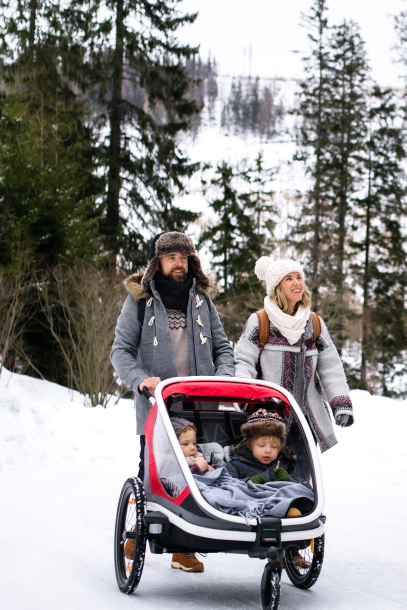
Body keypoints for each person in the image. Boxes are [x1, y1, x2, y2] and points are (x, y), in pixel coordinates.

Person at [111, 231, 234, 574]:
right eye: (171, 257)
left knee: (198, 471)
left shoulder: (202, 303)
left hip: (199, 406)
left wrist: (223, 376)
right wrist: (140, 380)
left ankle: (186, 548)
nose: (179, 263)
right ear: (158, 263)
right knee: (153, 475)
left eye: (184, 257)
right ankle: (139, 528)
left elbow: (223, 349)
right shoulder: (139, 303)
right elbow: (120, 351)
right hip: (157, 407)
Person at [233, 256, 353, 451]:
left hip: (305, 419)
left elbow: (331, 366)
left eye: (299, 277)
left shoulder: (313, 323)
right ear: (276, 287)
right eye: (288, 278)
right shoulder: (260, 321)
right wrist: (246, 399)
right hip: (268, 418)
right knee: (268, 477)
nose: (297, 282)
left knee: (303, 479)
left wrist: (340, 402)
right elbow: (244, 362)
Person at [226, 410, 298, 485]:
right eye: (261, 445)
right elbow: (225, 484)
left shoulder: (287, 464)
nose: (268, 450)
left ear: (280, 448)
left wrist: (289, 480)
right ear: (249, 445)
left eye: (274, 446)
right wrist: (247, 482)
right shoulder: (236, 464)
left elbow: (300, 486)